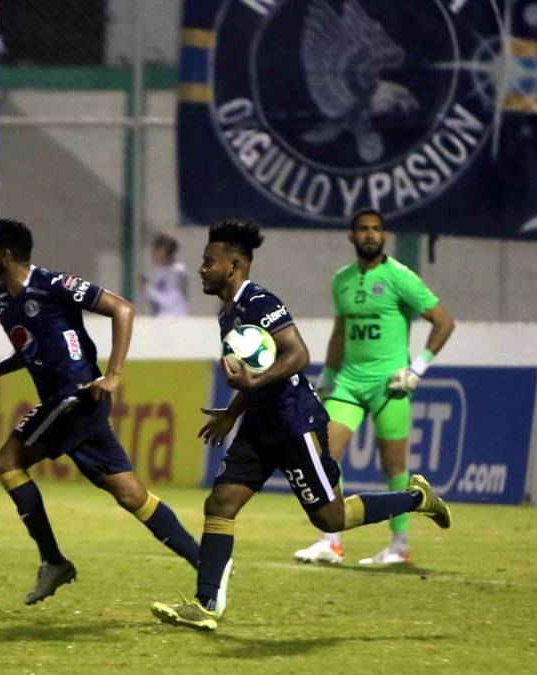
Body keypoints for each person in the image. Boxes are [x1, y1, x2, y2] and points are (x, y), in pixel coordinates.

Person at [150, 218, 451, 631]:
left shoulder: (259, 301)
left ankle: (416, 499)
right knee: (219, 504)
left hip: (294, 423)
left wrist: (252, 383)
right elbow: (258, 372)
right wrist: (233, 412)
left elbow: (298, 354)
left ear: (233, 265)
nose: (202, 268)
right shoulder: (229, 315)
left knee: (330, 519)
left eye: (208, 261)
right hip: (258, 425)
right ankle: (206, 606)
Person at [0, 218, 201, 605]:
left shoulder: (54, 284)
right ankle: (206, 561)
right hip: (68, 404)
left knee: (8, 463)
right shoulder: (2, 299)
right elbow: (32, 347)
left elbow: (123, 309)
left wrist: (112, 375)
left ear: (5, 254)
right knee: (130, 494)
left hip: (77, 397)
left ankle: (53, 561)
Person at [293, 208, 455, 566]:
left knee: (393, 465)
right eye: (363, 229)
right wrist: (328, 378)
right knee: (324, 455)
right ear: (352, 237)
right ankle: (330, 542)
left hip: (389, 385)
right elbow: (340, 332)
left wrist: (417, 368)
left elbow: (443, 321)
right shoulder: (342, 280)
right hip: (348, 383)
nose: (369, 234)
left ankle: (399, 545)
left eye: (376, 229)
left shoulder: (399, 277)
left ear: (384, 237)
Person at [141, 233, 188, 317]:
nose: (153, 253)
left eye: (156, 250)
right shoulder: (162, 271)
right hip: (162, 319)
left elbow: (171, 301)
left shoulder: (177, 270)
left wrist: (147, 289)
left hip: (173, 318)